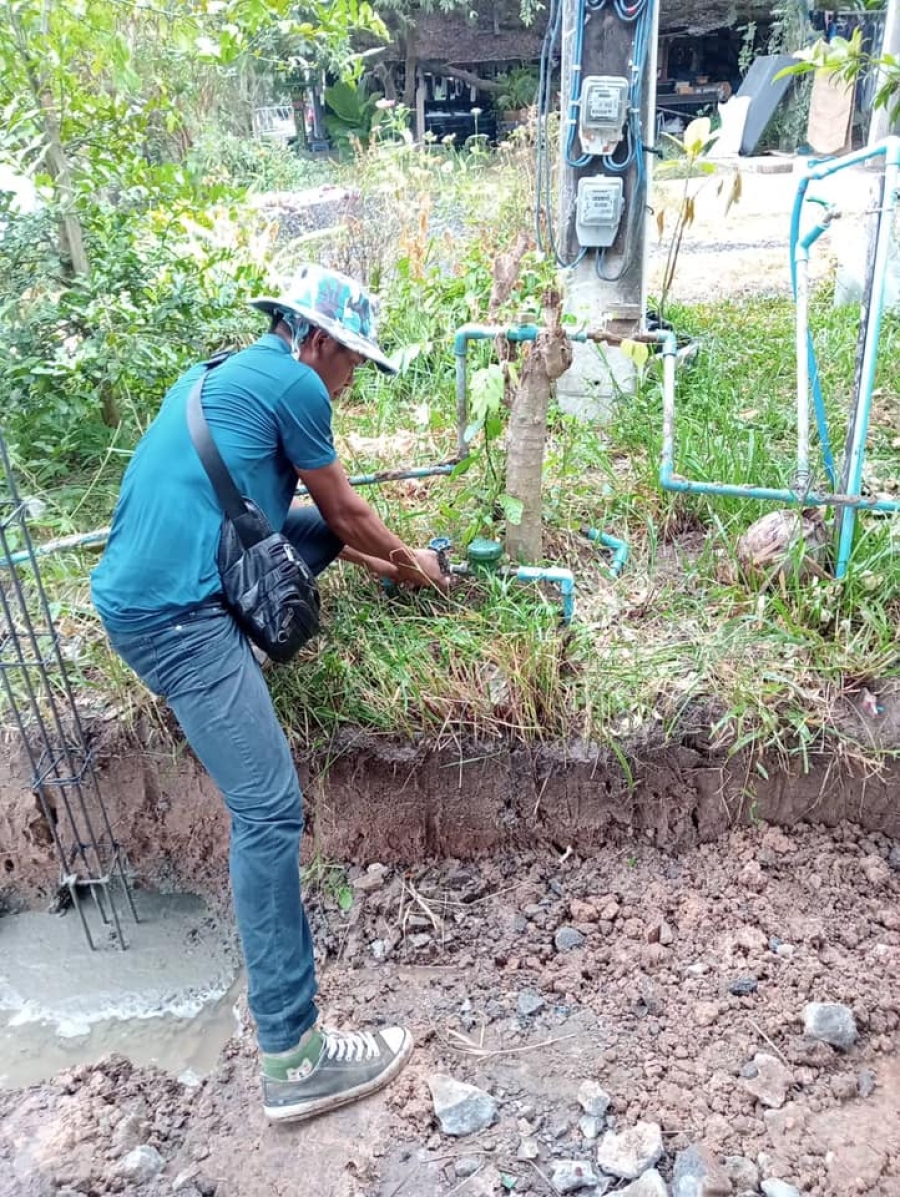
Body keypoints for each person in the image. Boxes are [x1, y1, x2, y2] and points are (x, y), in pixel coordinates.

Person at [91, 264, 447, 1123]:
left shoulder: (219, 371)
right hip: (175, 616)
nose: (352, 377)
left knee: (314, 527)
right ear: (316, 339)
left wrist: (385, 568)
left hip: (167, 575)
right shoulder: (296, 382)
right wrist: (418, 568)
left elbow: (315, 522)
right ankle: (294, 1058)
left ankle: (266, 645)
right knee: (270, 811)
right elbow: (353, 513)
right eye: (353, 359)